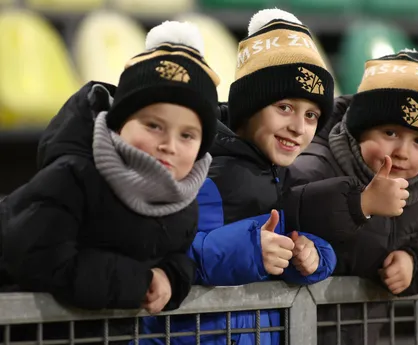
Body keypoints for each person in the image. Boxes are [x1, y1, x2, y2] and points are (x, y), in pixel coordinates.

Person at [0, 20, 220, 340]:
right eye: (154, 126)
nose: (169, 145)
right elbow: (40, 260)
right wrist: (140, 282)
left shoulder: (181, 199)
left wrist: (170, 278)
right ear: (119, 125)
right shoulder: (72, 176)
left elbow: (176, 256)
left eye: (187, 135)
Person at [141, 9, 337, 345]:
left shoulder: (283, 175)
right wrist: (249, 249)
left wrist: (313, 256)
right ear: (249, 106)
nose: (298, 127)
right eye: (285, 107)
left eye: (312, 115)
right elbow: (165, 251)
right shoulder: (202, 167)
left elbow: (278, 249)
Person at [286, 49, 418, 345]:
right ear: (359, 129)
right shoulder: (313, 162)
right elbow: (290, 212)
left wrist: (412, 264)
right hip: (296, 332)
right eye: (390, 132)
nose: (403, 151)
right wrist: (359, 204)